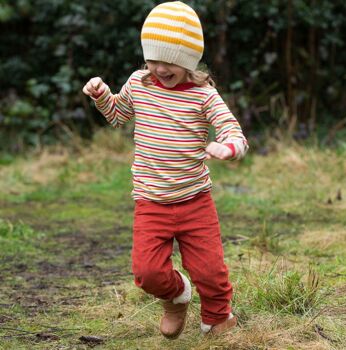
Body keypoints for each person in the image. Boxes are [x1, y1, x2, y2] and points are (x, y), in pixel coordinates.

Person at [83, 1, 248, 339]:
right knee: (146, 272)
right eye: (153, 59)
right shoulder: (140, 84)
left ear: (189, 59)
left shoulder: (203, 95)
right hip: (150, 199)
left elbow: (232, 130)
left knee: (210, 270)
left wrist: (227, 147)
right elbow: (117, 116)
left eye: (170, 61)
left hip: (194, 200)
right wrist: (102, 96)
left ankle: (218, 319)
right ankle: (176, 296)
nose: (160, 68)